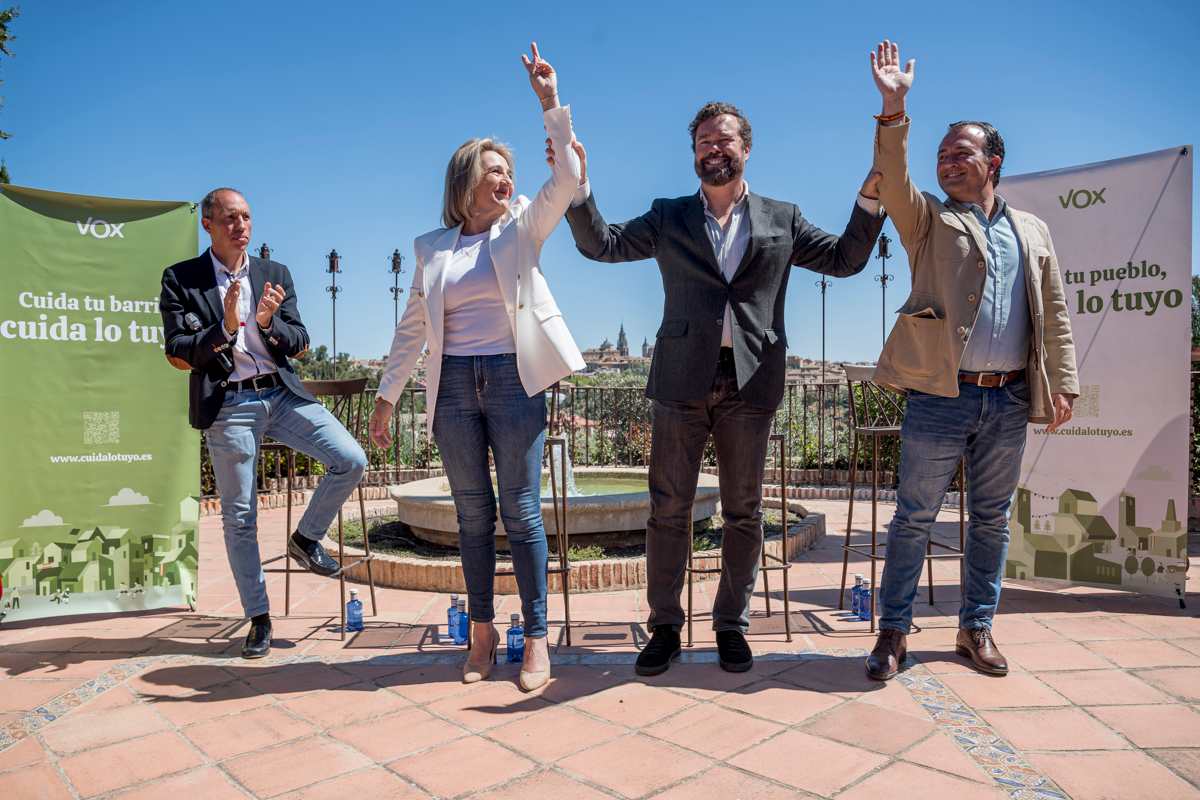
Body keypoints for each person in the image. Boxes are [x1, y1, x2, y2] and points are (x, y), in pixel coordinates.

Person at [562, 101, 884, 675]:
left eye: (724, 139)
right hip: (681, 380)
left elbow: (846, 259)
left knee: (744, 511)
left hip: (750, 381)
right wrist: (579, 186)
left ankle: (730, 623)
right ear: (693, 154)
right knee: (668, 510)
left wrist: (868, 202)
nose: (714, 148)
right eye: (704, 141)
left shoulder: (782, 218)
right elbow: (602, 244)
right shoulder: (669, 216)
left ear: (746, 148)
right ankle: (664, 626)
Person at [369, 43, 585, 692]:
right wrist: (387, 397)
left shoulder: (522, 226)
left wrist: (551, 104)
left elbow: (569, 180)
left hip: (516, 380)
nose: (505, 177)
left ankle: (537, 640)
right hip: (455, 386)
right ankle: (483, 636)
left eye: (508, 169)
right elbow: (413, 329)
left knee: (520, 512)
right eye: (493, 169)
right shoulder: (432, 249)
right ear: (465, 182)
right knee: (470, 515)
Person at [864, 41, 1078, 680]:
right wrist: (893, 106)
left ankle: (975, 628)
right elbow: (895, 181)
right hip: (940, 394)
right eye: (943, 155)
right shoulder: (927, 218)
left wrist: (1062, 382)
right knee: (914, 519)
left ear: (995, 163)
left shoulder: (1033, 230)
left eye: (962, 153)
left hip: (1009, 397)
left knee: (990, 520)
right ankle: (892, 633)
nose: (948, 162)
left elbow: (1055, 311)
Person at [160, 188, 367, 659]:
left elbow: (300, 340)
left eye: (247, 216)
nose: (241, 225)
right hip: (229, 403)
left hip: (281, 392)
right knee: (240, 517)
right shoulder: (181, 279)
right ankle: (259, 618)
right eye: (230, 218)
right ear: (208, 224)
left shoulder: (274, 274)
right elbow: (177, 351)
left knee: (350, 459)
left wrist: (269, 323)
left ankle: (305, 538)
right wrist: (226, 329)